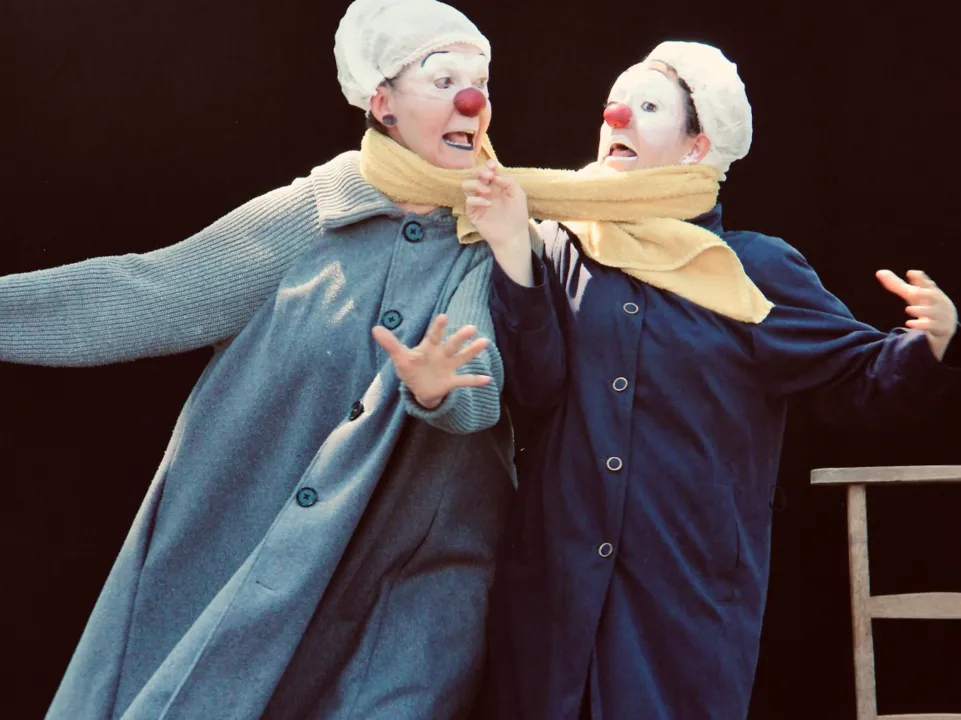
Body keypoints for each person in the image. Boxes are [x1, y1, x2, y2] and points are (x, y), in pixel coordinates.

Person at [1, 1, 518, 717]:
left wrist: (441, 390)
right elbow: (154, 291)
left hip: (400, 590)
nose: (472, 100)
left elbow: (478, 387)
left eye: (481, 82)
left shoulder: (497, 229)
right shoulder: (312, 213)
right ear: (383, 103)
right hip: (244, 559)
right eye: (443, 79)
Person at [463, 40, 961, 720]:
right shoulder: (561, 246)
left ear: (698, 146)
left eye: (647, 106)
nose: (616, 117)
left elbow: (859, 381)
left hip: (681, 593)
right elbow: (533, 389)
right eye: (614, 103)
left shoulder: (750, 268)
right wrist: (512, 254)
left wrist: (930, 343)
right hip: (556, 588)